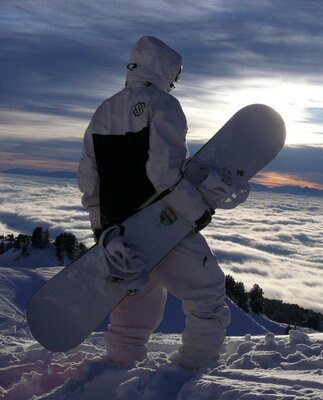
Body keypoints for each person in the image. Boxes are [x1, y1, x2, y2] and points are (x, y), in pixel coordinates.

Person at [77, 36, 231, 369]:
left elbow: (90, 179)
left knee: (135, 308)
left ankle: (119, 367)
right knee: (207, 294)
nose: (176, 81)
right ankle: (193, 369)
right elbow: (163, 173)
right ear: (164, 69)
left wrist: (103, 228)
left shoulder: (104, 109)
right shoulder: (164, 105)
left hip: (122, 231)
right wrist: (198, 212)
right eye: (175, 74)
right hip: (162, 220)